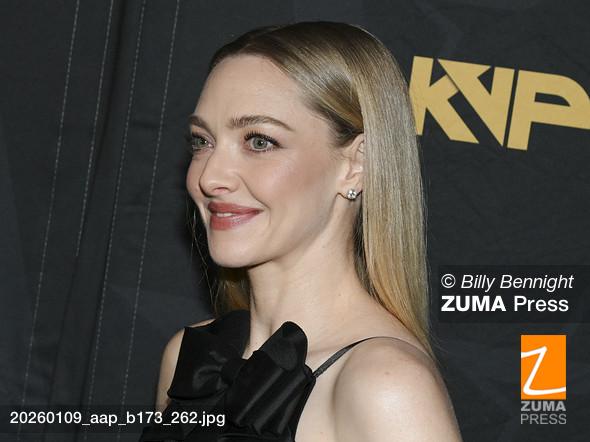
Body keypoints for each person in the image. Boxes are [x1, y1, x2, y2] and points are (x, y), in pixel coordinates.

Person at [140, 21, 462, 441]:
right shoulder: (192, 356)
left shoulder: (386, 386)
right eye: (202, 141)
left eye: (259, 142)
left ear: (356, 165)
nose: (209, 176)